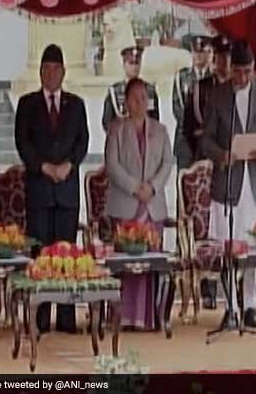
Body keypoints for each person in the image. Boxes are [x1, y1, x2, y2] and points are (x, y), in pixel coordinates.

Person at [200, 40, 256, 329]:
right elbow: (205, 139)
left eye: (247, 72)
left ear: (253, 69)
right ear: (230, 69)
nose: (242, 78)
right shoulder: (218, 95)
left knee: (254, 246)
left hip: (255, 182)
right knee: (228, 246)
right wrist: (221, 154)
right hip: (228, 180)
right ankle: (230, 306)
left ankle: (250, 304)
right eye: (237, 72)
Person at [15, 44, 89, 333]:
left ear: (64, 72)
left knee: (67, 254)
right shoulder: (27, 104)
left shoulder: (76, 104)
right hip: (40, 191)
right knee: (42, 256)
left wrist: (69, 164)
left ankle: (68, 317)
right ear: (40, 72)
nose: (51, 73)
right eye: (46, 68)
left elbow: (82, 141)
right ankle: (41, 318)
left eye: (56, 68)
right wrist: (45, 167)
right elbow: (23, 143)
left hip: (67, 191)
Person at [105, 78, 174, 330]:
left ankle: (149, 318)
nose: (140, 103)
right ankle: (123, 317)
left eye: (144, 98)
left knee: (150, 262)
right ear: (126, 102)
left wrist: (152, 187)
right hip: (125, 205)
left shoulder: (161, 130)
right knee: (126, 263)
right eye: (135, 98)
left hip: (153, 206)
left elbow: (167, 163)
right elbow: (112, 165)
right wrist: (136, 187)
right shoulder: (117, 130)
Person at [179, 35, 232, 309]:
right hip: (204, 165)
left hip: (230, 167)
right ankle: (208, 290)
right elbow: (188, 128)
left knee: (228, 228)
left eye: (225, 58)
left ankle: (230, 287)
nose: (222, 63)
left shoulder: (237, 87)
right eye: (219, 57)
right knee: (205, 227)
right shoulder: (200, 88)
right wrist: (198, 158)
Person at [173, 35, 212, 169]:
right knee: (184, 181)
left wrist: (205, 129)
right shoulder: (181, 77)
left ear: (209, 53)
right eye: (195, 52)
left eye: (202, 52)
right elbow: (177, 108)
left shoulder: (214, 79)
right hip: (185, 139)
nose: (198, 56)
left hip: (209, 139)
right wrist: (192, 128)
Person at [102, 45, 160, 132]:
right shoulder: (115, 91)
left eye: (137, 63)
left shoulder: (149, 90)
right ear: (124, 64)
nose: (134, 68)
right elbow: (107, 121)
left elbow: (155, 118)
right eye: (131, 63)